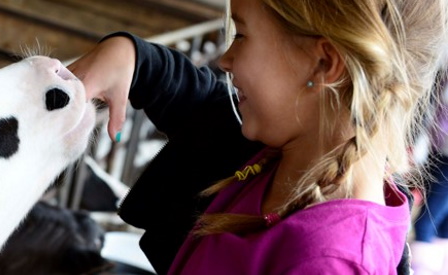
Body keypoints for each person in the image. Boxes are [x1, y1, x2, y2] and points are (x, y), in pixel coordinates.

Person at [68, 0, 448, 274]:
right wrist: (134, 58)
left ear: (323, 63)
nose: (224, 60)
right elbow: (204, 109)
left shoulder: (327, 261)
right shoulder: (288, 154)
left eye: (242, 35)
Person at [411, 75, 448, 275]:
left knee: (426, 221)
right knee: (442, 222)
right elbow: (431, 112)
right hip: (436, 152)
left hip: (446, 157)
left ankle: (421, 270)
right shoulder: (442, 73)